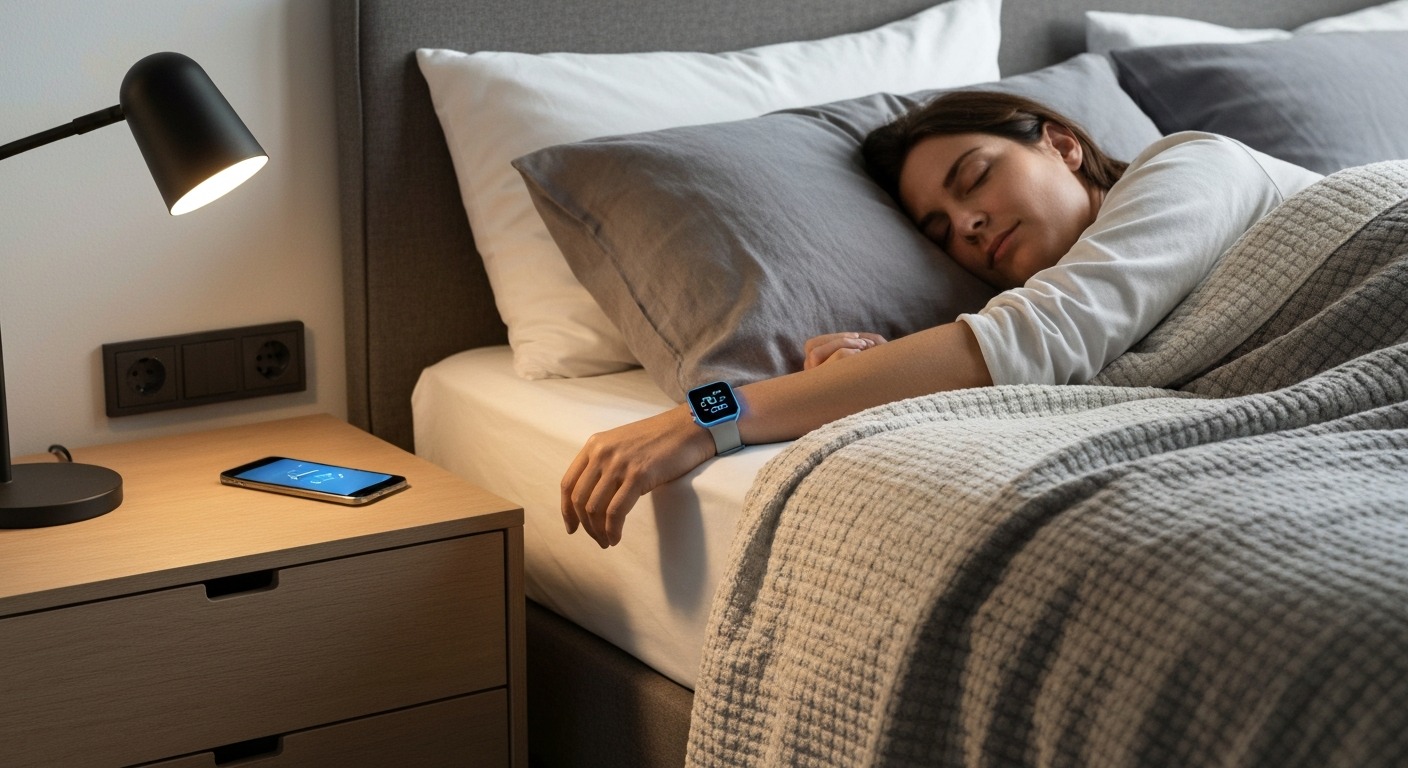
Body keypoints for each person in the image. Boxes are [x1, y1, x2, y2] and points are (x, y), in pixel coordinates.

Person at [560, 91, 1322, 548]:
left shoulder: (1194, 164)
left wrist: (711, 415)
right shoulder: (1068, 318)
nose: (970, 227)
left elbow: (1043, 336)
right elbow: (1047, 356)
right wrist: (882, 377)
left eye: (975, 178)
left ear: (1060, 145)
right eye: (941, 231)